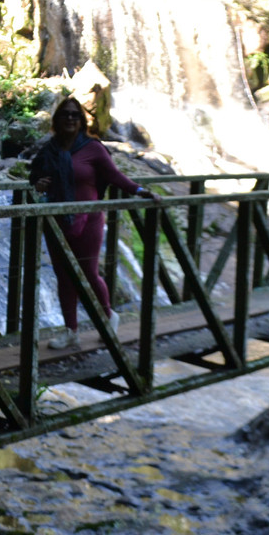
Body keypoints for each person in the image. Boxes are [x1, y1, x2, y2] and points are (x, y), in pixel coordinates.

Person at [29, 96, 161, 349]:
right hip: (57, 219)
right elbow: (35, 176)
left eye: (74, 115)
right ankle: (71, 331)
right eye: (65, 114)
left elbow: (115, 176)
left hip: (89, 219)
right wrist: (38, 184)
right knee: (63, 276)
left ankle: (108, 316)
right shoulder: (49, 149)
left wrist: (141, 191)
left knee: (88, 272)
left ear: (81, 121)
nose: (70, 118)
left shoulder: (93, 148)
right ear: (57, 120)